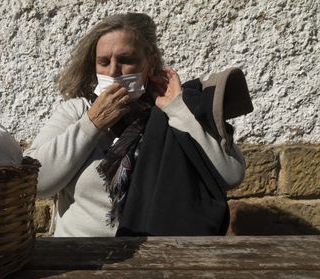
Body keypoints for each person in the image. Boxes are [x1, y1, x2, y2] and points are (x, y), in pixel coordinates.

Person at [25, 13, 248, 237]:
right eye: (103, 62)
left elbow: (231, 174)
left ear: (149, 64)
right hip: (82, 258)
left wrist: (177, 109)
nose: (113, 71)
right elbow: (36, 183)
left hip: (157, 257)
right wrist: (92, 124)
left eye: (126, 60)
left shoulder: (172, 111)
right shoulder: (76, 112)